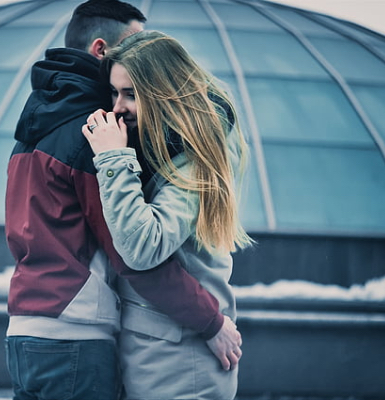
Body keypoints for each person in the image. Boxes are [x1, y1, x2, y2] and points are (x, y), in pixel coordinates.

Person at [4, 1, 242, 398]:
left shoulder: (35, 125)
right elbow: (133, 255)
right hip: (75, 332)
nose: (118, 106)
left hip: (24, 329)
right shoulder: (95, 135)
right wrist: (211, 322)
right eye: (134, 42)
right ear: (101, 50)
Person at [82, 30, 252, 399]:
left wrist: (112, 158)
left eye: (131, 94)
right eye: (114, 92)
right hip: (159, 356)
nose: (118, 107)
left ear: (163, 92)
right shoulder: (156, 147)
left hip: (183, 366)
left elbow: (143, 247)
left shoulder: (194, 157)